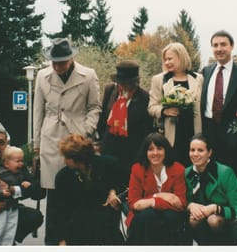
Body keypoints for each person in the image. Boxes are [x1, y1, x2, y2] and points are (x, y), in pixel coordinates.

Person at [33, 37, 101, 245]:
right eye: (53, 62)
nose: (56, 66)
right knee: (54, 197)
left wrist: (86, 131)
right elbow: (38, 111)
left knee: (77, 193)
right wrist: (36, 145)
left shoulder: (88, 75)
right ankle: (54, 242)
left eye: (61, 62)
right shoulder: (42, 76)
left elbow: (95, 107)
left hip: (78, 139)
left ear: (71, 59)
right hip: (51, 138)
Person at [48, 134, 125, 245]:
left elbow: (123, 183)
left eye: (67, 158)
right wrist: (61, 240)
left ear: (77, 158)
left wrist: (113, 191)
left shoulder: (108, 164)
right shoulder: (63, 177)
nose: (64, 161)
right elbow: (59, 212)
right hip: (77, 224)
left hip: (104, 221)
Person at [201, 30, 237, 188]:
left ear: (232, 46)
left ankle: (233, 212)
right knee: (209, 181)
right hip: (208, 134)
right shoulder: (206, 72)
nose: (219, 48)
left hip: (233, 136)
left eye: (223, 44)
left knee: (232, 182)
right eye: (215, 45)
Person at [185, 134, 237, 245]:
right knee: (192, 219)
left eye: (200, 150)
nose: (195, 154)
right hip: (202, 222)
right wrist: (190, 206)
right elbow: (182, 202)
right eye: (192, 150)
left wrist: (215, 208)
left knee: (214, 220)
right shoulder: (187, 173)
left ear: (209, 152)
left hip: (226, 224)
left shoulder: (225, 173)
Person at [97, 60, 154, 186]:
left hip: (130, 151)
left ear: (135, 82)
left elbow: (146, 129)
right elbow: (103, 117)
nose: (122, 86)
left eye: (126, 83)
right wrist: (99, 141)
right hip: (108, 146)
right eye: (120, 82)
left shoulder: (144, 97)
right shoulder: (110, 91)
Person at [126, 132, 188, 245]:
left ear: (166, 151)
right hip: (144, 218)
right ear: (145, 152)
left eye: (159, 148)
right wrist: (159, 197)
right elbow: (133, 203)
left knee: (169, 217)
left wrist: (150, 202)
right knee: (147, 216)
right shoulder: (137, 169)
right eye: (150, 149)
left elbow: (181, 204)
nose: (155, 153)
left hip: (170, 217)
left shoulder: (178, 169)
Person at [148, 42, 203, 166]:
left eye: (170, 58)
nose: (167, 62)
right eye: (165, 59)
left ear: (181, 57)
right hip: (171, 135)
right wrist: (164, 111)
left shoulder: (198, 78)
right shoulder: (159, 80)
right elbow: (151, 107)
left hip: (194, 134)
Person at [0, 146, 34, 245]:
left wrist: (24, 184)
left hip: (12, 207)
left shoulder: (19, 174)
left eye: (22, 161)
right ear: (7, 164)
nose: (21, 164)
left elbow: (25, 184)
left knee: (9, 234)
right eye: (17, 161)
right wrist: (0, 191)